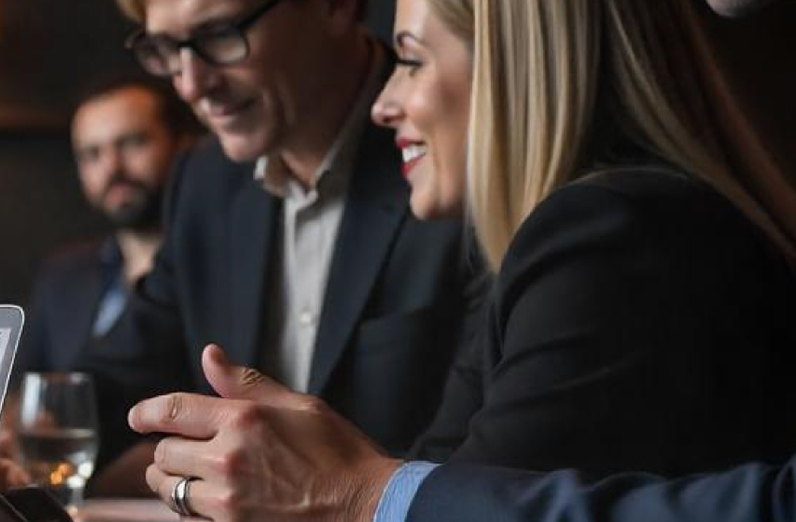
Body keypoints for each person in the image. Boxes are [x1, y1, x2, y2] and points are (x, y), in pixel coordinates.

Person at [127, 0, 796, 520]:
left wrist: (339, 493)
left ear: (518, 73)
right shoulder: (573, 235)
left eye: (411, 61)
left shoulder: (609, 238)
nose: (385, 103)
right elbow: (437, 474)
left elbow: (417, 503)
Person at [81, 0, 477, 481]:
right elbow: (123, 374)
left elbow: (481, 456)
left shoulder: (454, 152)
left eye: (220, 35)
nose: (189, 84)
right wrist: (10, 433)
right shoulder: (204, 179)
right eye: (166, 49)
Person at [15, 75, 199, 376]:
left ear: (183, 145)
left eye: (132, 143)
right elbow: (25, 393)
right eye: (92, 154)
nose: (112, 167)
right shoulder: (62, 274)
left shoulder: (216, 268)